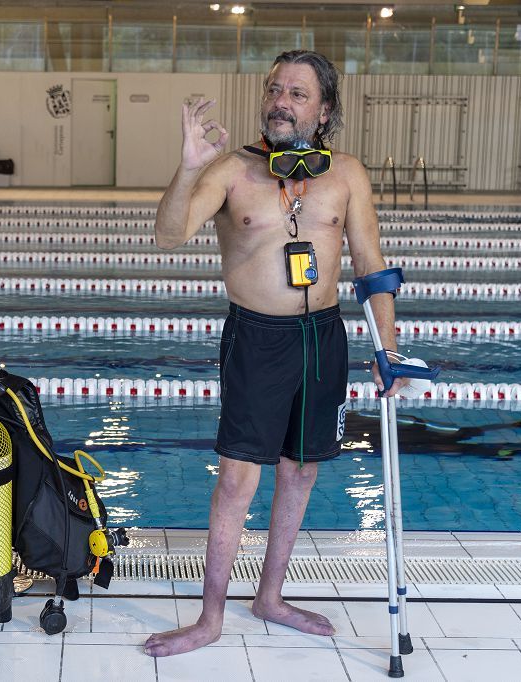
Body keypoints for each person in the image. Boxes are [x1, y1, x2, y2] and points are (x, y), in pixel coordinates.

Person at [144, 50, 405, 658]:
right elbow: (168, 233)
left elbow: (371, 266)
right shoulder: (232, 170)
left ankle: (269, 597)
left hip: (324, 337)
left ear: (325, 109)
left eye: (298, 93)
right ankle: (210, 618)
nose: (281, 102)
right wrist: (186, 170)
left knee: (302, 469)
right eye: (275, 90)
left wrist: (387, 348)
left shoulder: (347, 174)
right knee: (238, 479)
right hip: (257, 338)